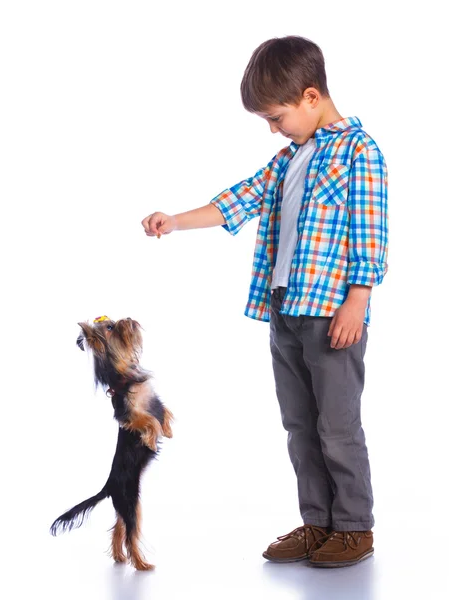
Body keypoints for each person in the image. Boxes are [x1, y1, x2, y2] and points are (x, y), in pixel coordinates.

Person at [141, 35, 388, 569]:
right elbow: (239, 199)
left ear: (311, 96)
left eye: (276, 117)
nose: (272, 129)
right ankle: (317, 521)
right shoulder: (287, 160)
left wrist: (358, 301)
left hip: (331, 314)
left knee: (337, 425)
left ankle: (354, 527)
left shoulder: (358, 153)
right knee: (299, 424)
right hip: (285, 313)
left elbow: (371, 233)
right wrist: (176, 220)